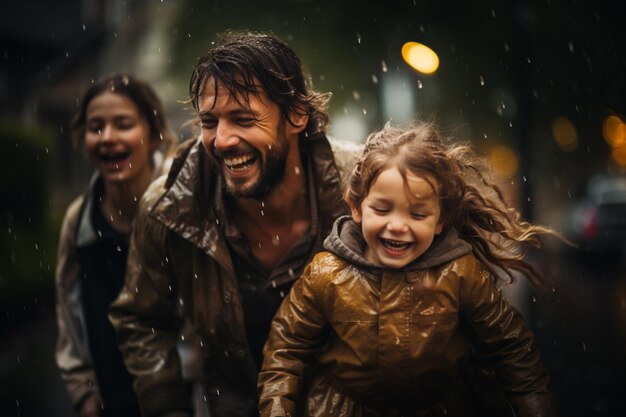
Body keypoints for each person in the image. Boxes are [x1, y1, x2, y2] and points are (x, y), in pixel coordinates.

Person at [108, 31, 361, 417]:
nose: (221, 141)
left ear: (296, 115)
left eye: (243, 119)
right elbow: (140, 319)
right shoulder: (170, 205)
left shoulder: (361, 189)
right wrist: (167, 407)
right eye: (210, 122)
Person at [258, 123, 563, 417]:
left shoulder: (460, 273)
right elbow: (286, 352)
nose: (398, 226)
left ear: (440, 219)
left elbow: (512, 351)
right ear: (356, 207)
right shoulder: (325, 274)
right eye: (382, 209)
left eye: (417, 214)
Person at [55, 73, 177, 417]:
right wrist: (83, 392)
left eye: (123, 124)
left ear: (154, 136)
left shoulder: (182, 206)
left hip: (183, 399)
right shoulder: (79, 221)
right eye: (96, 127)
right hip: (111, 400)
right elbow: (69, 313)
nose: (107, 138)